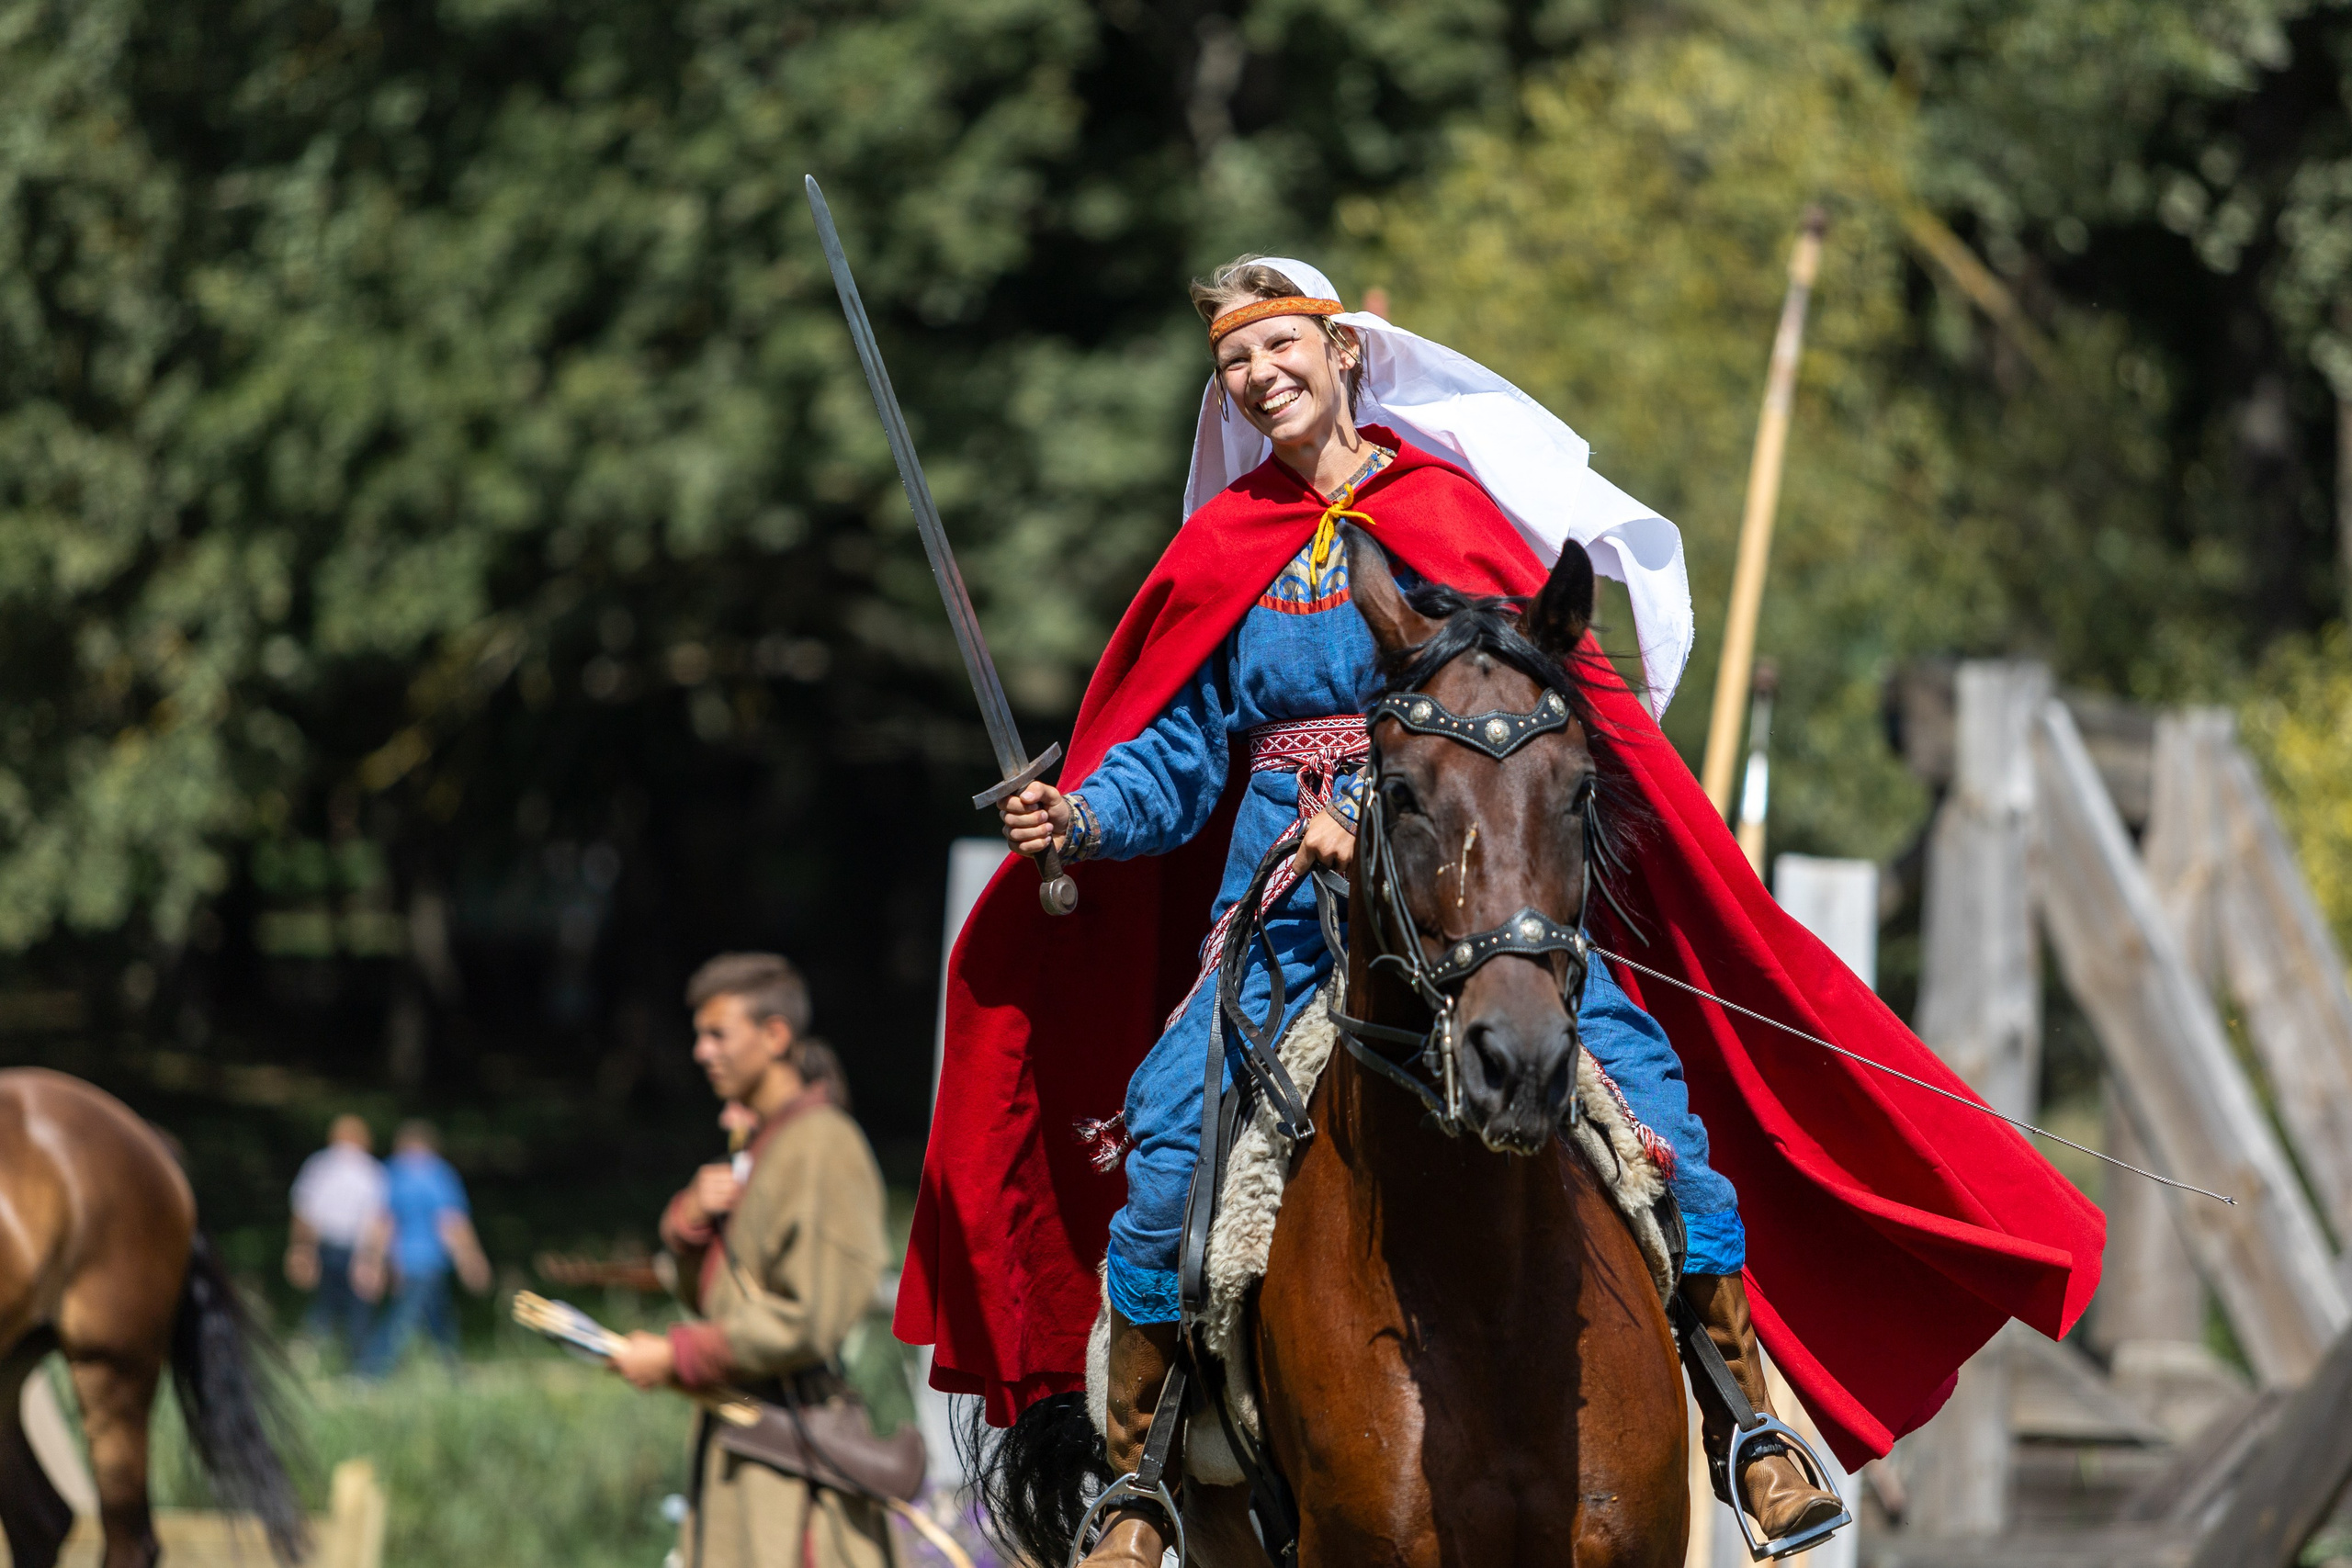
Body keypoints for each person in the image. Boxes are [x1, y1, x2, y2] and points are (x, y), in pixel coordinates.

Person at [899, 256, 2104, 1564]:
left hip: (1472, 901)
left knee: (1661, 1124)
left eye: (1281, 345)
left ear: (1347, 350)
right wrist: (1082, 814)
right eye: (1235, 363)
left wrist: (1388, 823)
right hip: (1292, 918)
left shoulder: (1448, 514)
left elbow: (1519, 716)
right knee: (1165, 1139)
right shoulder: (1223, 543)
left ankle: (1744, 1422)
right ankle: (1134, 1478)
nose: (1259, 377)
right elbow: (1180, 758)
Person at [609, 953, 893, 1568]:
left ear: (774, 1035)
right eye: (698, 1035)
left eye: (718, 1033)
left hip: (793, 1464)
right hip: (746, 1441)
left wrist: (679, 1354)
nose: (701, 1052)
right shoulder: (766, 1144)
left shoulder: (822, 1144)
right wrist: (687, 1232)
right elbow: (720, 1300)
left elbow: (810, 1318)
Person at [353, 1119, 491, 1376]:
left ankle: (454, 1370)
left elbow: (383, 1223)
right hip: (429, 1260)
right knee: (403, 1320)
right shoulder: (438, 1173)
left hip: (403, 1261)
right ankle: (370, 1373)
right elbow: (451, 1222)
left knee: (438, 1317)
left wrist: (373, 1260)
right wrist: (471, 1258)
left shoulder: (391, 1173)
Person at [285, 1113, 385, 1359]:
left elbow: (304, 1212)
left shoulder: (318, 1165)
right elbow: (377, 1220)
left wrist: (300, 1248)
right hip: (356, 1248)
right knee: (358, 1309)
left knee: (325, 1304)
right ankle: (361, 1368)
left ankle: (306, 1355)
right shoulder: (371, 1169)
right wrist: (373, 1259)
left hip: (325, 1245)